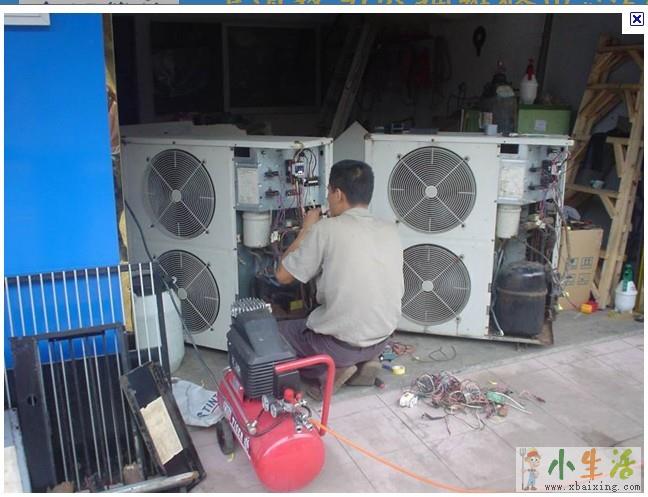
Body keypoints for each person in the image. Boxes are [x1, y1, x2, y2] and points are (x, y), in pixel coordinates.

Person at [275, 160, 404, 397]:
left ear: (338, 194)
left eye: (328, 192)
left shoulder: (326, 230)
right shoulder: (390, 230)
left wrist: (306, 229)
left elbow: (282, 276)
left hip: (339, 346)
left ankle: (328, 370)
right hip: (381, 338)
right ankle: (364, 363)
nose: (327, 198)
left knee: (276, 333)